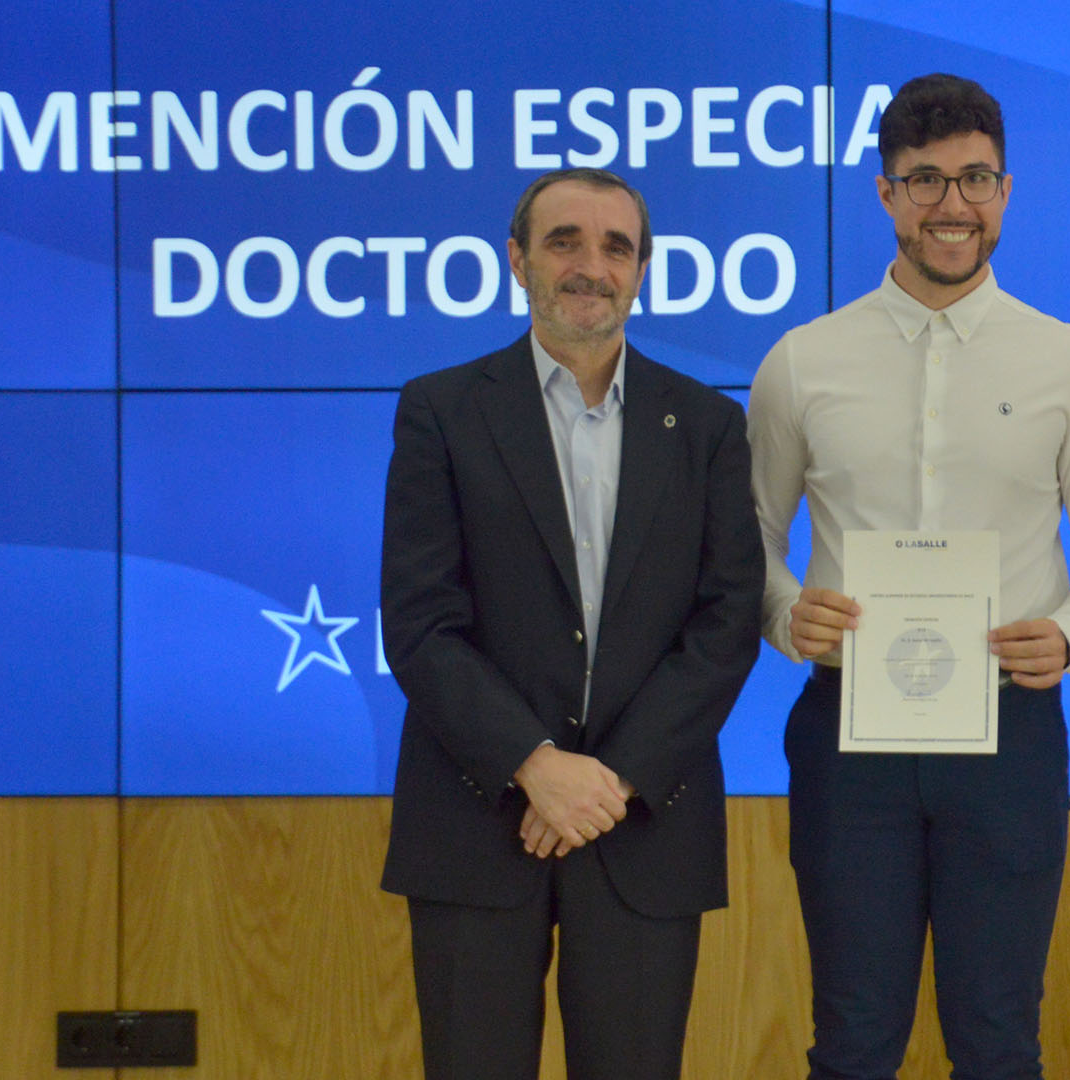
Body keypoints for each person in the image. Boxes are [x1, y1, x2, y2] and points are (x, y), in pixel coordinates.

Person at [748, 73, 1070, 1080]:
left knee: (999, 1041)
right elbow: (745, 537)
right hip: (849, 736)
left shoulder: (1067, 360)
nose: (952, 204)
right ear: (886, 193)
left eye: (975, 179)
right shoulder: (801, 361)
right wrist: (784, 610)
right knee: (852, 1041)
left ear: (1005, 192)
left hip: (1009, 731)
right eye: (924, 180)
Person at [379, 167, 764, 1080]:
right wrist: (535, 765)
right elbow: (421, 622)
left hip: (643, 829)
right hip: (477, 821)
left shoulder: (706, 424)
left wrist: (611, 780)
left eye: (616, 247)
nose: (592, 266)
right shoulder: (440, 410)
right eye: (564, 242)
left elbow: (726, 623)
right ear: (518, 260)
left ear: (641, 272)